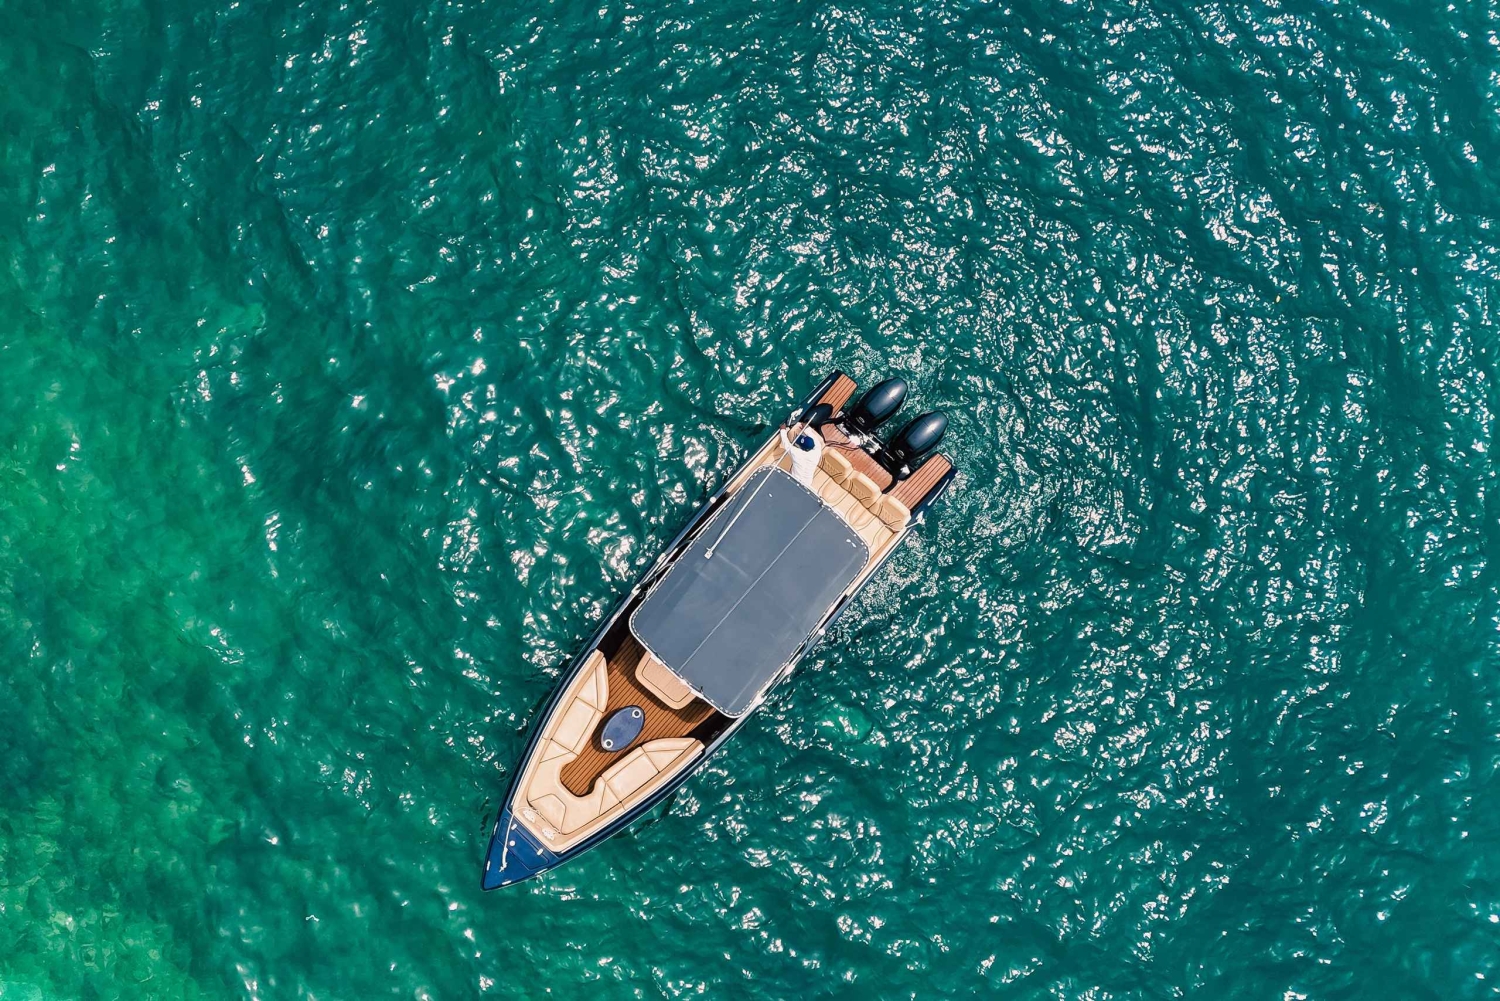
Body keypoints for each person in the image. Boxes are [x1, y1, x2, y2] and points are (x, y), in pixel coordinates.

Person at [778, 404, 831, 487]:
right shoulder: (816, 451)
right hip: (807, 485)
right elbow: (815, 439)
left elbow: (786, 444)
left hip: (794, 481)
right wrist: (806, 428)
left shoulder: (797, 454)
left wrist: (783, 430)